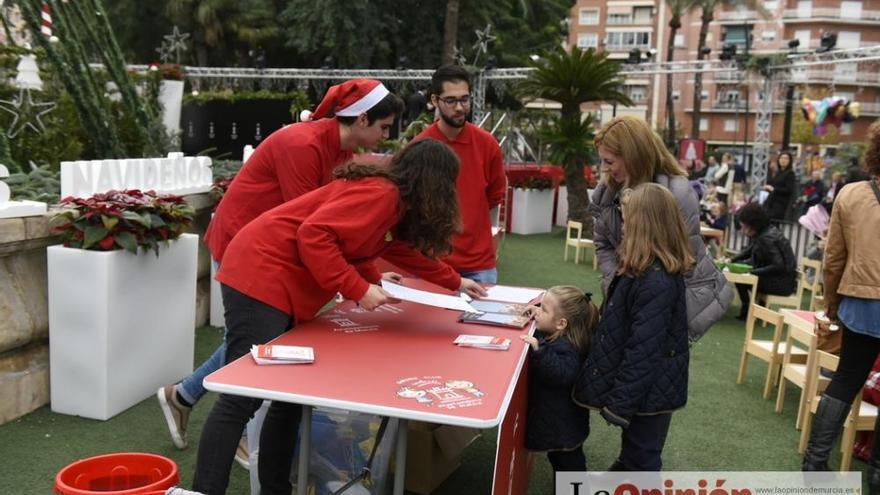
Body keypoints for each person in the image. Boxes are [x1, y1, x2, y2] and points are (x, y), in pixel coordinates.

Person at [191, 139, 487, 494]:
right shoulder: (382, 194)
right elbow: (314, 235)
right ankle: (204, 490)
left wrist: (456, 281)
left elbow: (394, 250)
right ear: (436, 181)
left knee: (288, 397)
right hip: (261, 272)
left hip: (278, 278)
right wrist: (358, 289)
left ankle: (274, 489)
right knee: (242, 396)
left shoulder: (392, 199)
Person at [157, 79, 405, 458]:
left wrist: (365, 275)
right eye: (383, 128)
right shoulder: (304, 145)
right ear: (362, 118)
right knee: (254, 342)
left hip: (263, 248)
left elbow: (328, 228)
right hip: (244, 243)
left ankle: (185, 395)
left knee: (252, 340)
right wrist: (353, 282)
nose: (385, 138)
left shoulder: (337, 150)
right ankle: (231, 419)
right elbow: (313, 227)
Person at [574, 183, 692, 471]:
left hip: (650, 393)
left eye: (627, 221)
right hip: (645, 390)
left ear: (644, 225)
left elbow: (645, 349)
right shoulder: (642, 269)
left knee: (643, 458)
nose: (623, 227)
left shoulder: (656, 280)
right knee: (634, 455)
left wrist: (620, 403)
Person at [590, 116, 732, 342]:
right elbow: (603, 242)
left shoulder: (678, 194)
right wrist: (613, 284)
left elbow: (681, 260)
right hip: (630, 298)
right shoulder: (608, 190)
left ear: (632, 156)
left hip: (666, 305)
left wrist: (640, 302)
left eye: (609, 161)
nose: (604, 169)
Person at [801, 121, 880, 489]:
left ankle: (815, 462)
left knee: (846, 380)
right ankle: (877, 469)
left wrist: (831, 306)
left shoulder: (851, 194)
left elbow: (834, 260)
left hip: (861, 304)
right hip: (863, 301)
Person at [414, 65, 506, 284]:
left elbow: (495, 196)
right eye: (451, 100)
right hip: (433, 264)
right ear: (435, 101)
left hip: (479, 265)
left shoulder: (487, 144)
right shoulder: (419, 147)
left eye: (465, 99)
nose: (459, 107)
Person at [519, 286, 598, 474]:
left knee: (569, 466)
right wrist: (536, 317)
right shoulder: (560, 336)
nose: (538, 310)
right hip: (560, 424)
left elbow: (561, 373)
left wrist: (539, 350)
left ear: (561, 323)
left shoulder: (569, 348)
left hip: (563, 428)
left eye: (543, 309)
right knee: (561, 462)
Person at [730, 203, 798, 321]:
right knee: (742, 277)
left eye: (744, 226)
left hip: (781, 284)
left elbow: (778, 265)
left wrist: (752, 272)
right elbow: (749, 251)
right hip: (785, 280)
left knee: (742, 279)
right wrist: (731, 260)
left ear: (752, 225)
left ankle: (747, 311)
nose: (742, 230)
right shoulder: (765, 232)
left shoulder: (766, 238)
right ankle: (750, 310)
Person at [763, 151, 797, 221]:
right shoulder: (778, 172)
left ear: (790, 161)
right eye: (781, 158)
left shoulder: (790, 173)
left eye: (786, 159)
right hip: (771, 200)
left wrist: (774, 189)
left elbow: (789, 189)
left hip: (780, 203)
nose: (783, 160)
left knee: (774, 222)